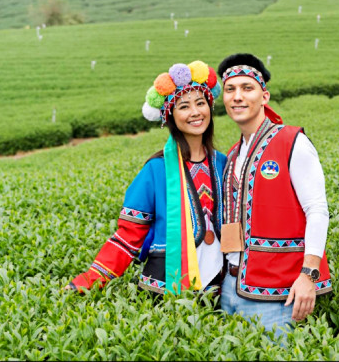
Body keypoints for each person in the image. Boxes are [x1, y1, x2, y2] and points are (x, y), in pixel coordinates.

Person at [65, 60, 228, 298]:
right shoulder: (155, 170)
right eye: (184, 106)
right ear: (170, 116)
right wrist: (88, 281)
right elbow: (127, 236)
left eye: (200, 103)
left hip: (219, 287)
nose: (195, 112)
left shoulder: (224, 163)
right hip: (165, 288)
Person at [216, 53, 332, 338]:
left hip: (279, 293)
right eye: (230, 89)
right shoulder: (233, 154)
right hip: (230, 287)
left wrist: (308, 276)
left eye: (247, 88)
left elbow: (317, 210)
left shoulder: (292, 141)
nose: (237, 96)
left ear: (264, 96)